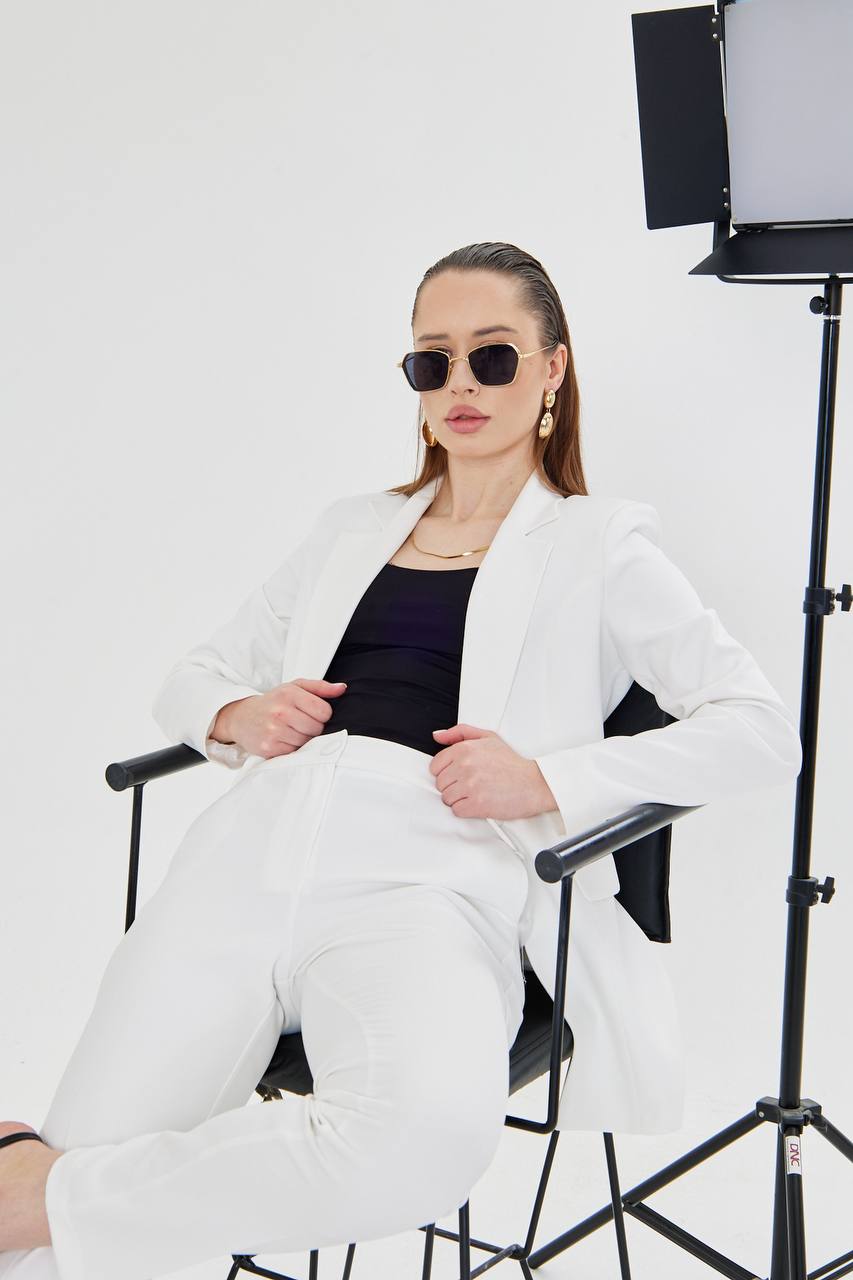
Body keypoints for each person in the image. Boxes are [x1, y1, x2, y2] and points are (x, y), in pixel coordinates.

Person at [0, 241, 802, 1280]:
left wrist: (550, 779)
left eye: (493, 356)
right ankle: (51, 1193)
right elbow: (198, 670)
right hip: (247, 852)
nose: (459, 384)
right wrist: (242, 711)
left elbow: (756, 727)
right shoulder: (351, 528)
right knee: (51, 1251)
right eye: (432, 361)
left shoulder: (601, 544)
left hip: (429, 870)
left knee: (418, 1138)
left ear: (553, 368)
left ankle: (37, 1180)